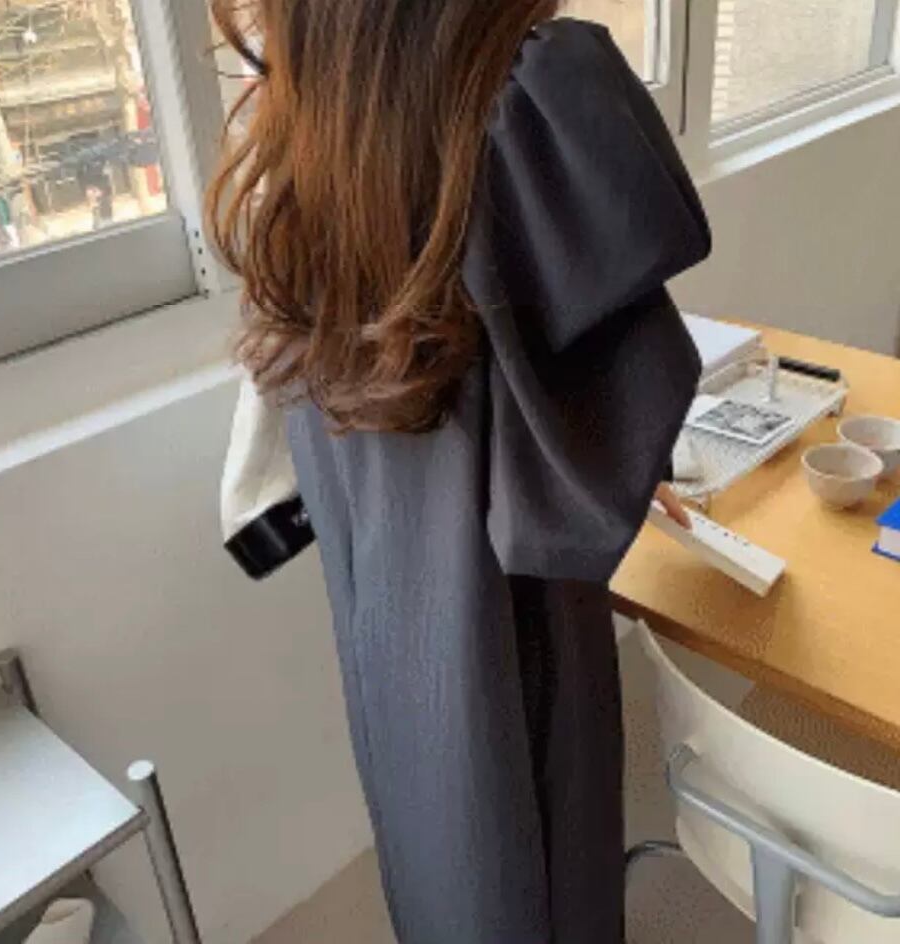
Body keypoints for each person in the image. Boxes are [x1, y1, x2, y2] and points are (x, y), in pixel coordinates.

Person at [208, 2, 710, 941]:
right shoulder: (523, 99)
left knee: (437, 826)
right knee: (530, 837)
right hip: (506, 596)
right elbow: (623, 392)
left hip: (383, 572)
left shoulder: (315, 122)